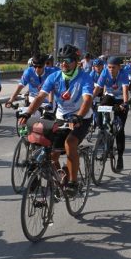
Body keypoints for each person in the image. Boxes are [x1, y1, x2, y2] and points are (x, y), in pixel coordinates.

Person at [19, 44, 94, 196]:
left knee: (70, 143)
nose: (63, 63)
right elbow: (40, 97)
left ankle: (73, 182)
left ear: (75, 61)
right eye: (60, 60)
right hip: (61, 117)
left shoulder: (85, 77)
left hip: (82, 117)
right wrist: (27, 114)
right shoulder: (54, 77)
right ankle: (62, 177)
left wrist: (78, 116)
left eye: (67, 60)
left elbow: (87, 100)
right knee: (52, 154)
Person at [97, 56, 130, 171]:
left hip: (121, 99)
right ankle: (104, 129)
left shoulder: (124, 73)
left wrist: (125, 103)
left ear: (119, 67)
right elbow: (98, 88)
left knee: (120, 130)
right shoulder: (105, 72)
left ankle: (120, 157)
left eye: (113, 67)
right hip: (110, 97)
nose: (110, 69)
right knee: (101, 106)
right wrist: (89, 99)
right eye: (109, 67)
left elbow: (125, 90)